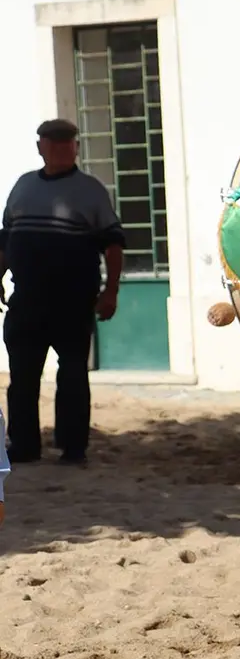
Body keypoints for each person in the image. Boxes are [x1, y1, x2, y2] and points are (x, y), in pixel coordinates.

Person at [1, 118, 124, 466]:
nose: (60, 148)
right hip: (26, 299)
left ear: (75, 147)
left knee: (72, 375)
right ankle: (23, 446)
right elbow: (8, 237)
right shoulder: (23, 186)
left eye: (67, 142)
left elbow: (113, 245)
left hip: (72, 301)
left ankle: (73, 449)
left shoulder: (90, 190)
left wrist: (110, 291)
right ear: (40, 147)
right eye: (52, 143)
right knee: (22, 378)